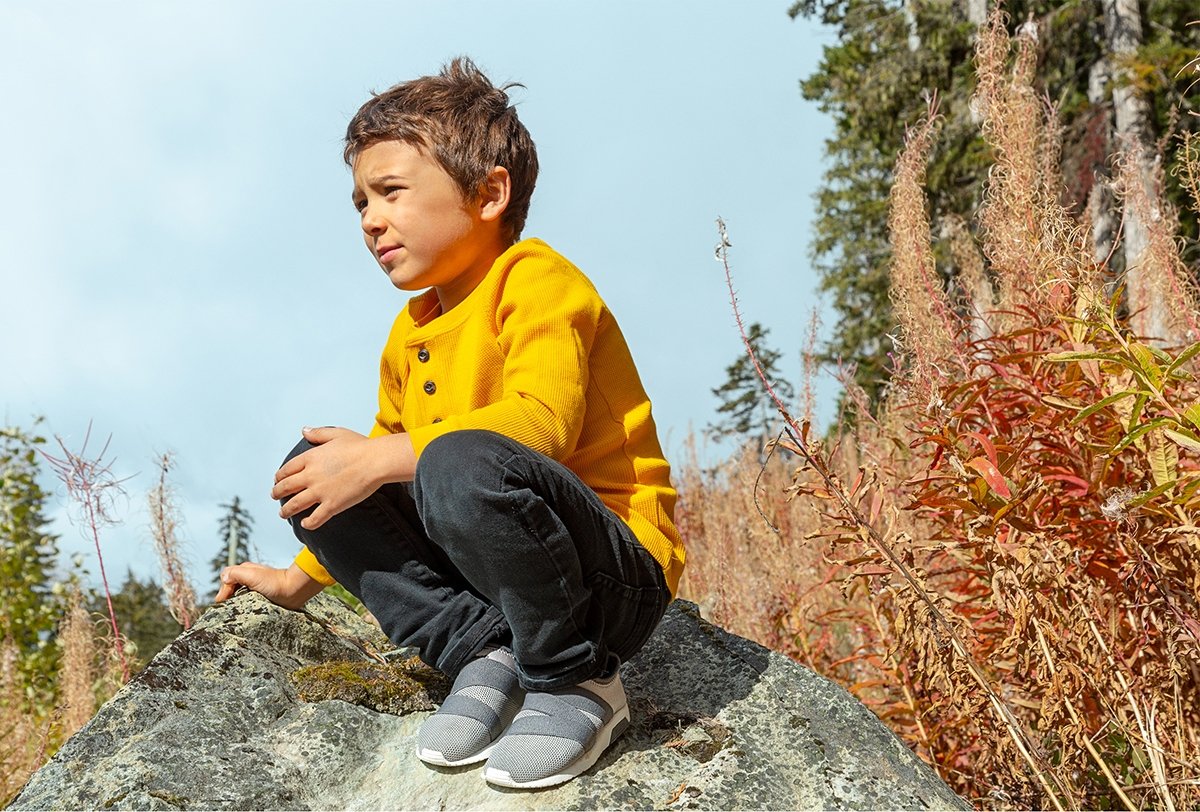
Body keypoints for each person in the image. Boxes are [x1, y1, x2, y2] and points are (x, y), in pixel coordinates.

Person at [214, 57, 685, 790]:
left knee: (457, 459)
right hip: (494, 575)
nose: (371, 219)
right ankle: (484, 651)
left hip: (608, 580)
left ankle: (576, 680)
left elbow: (541, 427)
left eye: (391, 192)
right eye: (360, 202)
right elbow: (377, 481)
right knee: (316, 467)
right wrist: (297, 579)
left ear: (488, 192)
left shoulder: (536, 282)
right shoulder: (412, 331)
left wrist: (377, 459)